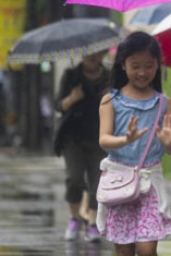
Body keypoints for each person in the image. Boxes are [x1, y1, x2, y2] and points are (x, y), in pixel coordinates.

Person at [97, 31, 171, 256]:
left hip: (149, 183)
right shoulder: (110, 100)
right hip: (119, 182)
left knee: (146, 248)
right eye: (135, 65)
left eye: (149, 66)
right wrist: (126, 139)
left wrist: (170, 143)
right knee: (123, 250)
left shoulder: (165, 104)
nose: (143, 72)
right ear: (123, 64)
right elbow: (103, 140)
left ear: (157, 66)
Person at [55, 51, 110, 242]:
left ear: (102, 55)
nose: (92, 57)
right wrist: (72, 98)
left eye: (97, 53)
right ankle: (74, 218)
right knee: (74, 179)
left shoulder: (109, 77)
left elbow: (121, 103)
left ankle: (92, 223)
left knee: (98, 183)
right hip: (73, 138)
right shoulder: (71, 76)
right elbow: (59, 105)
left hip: (100, 137)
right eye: (88, 53)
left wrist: (111, 96)